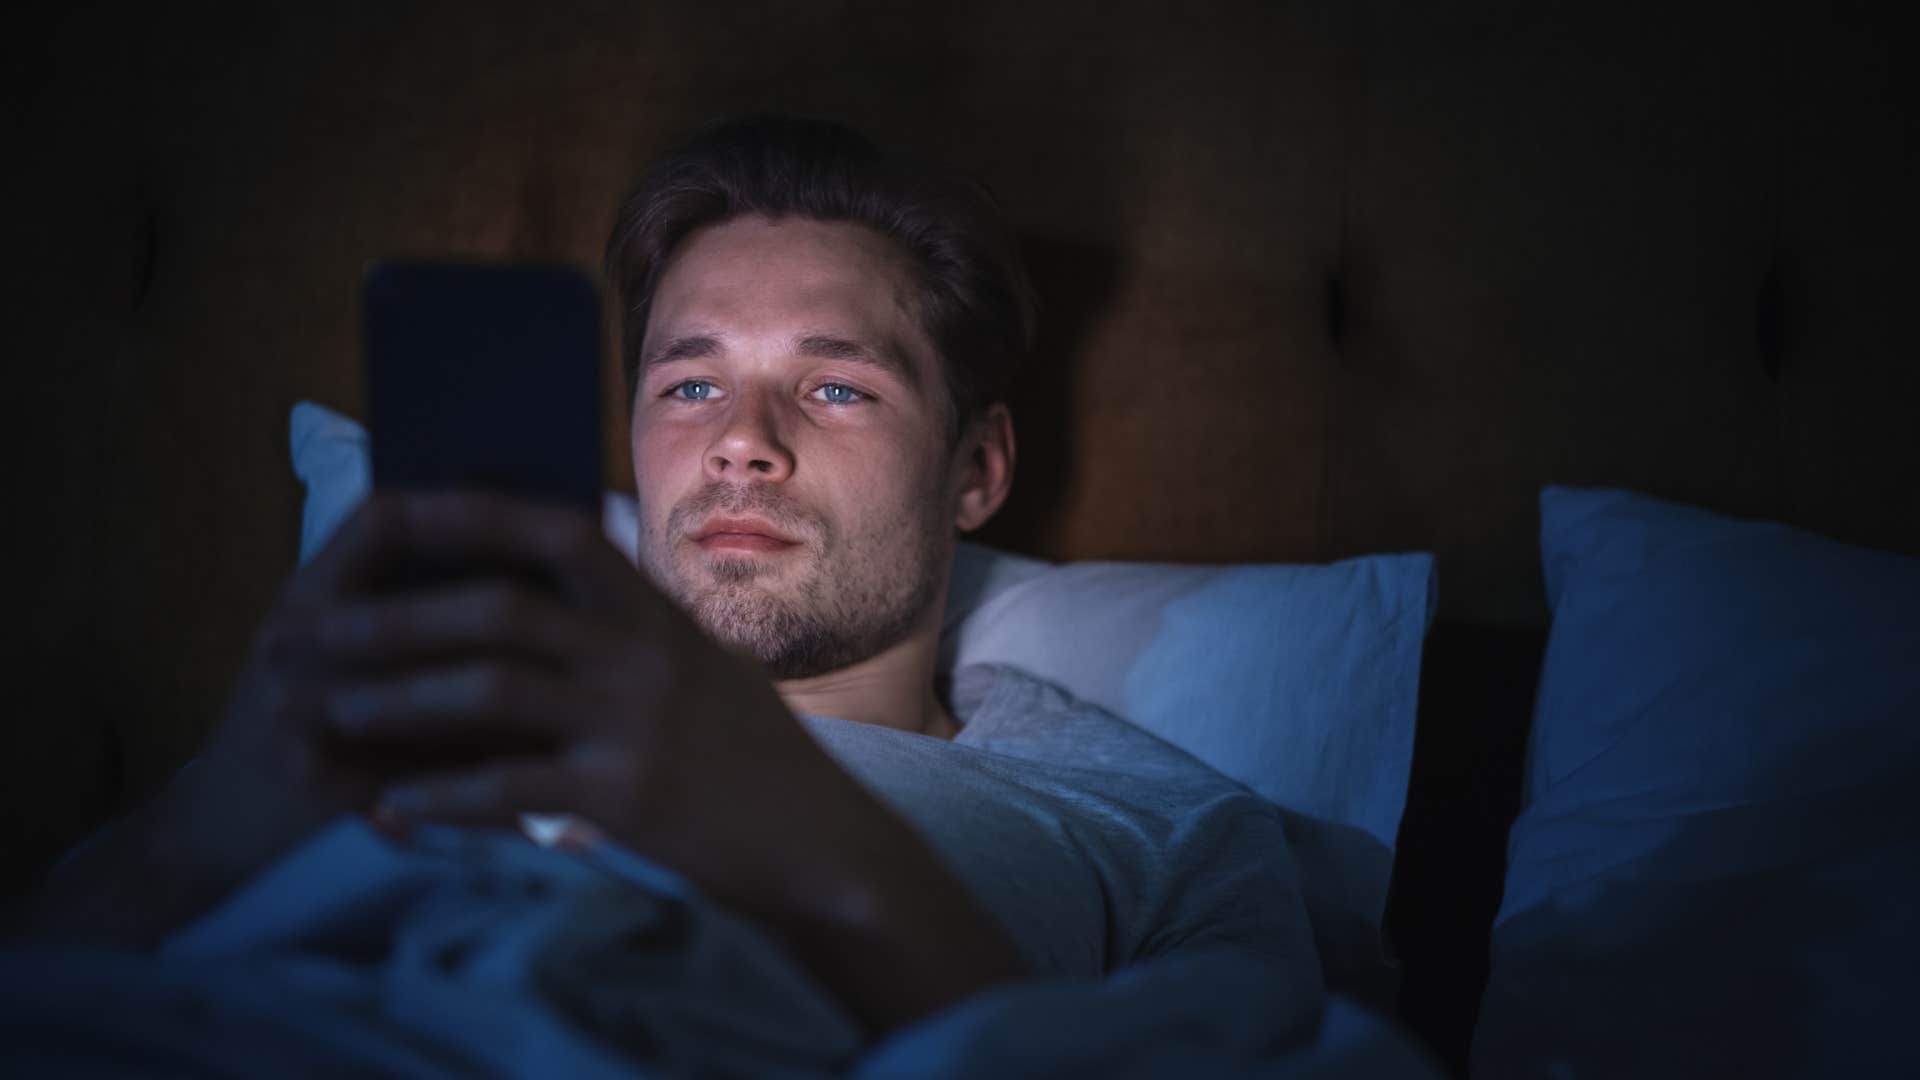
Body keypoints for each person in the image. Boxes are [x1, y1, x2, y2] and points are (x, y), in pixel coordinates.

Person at [13, 115, 1317, 1047]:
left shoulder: (1160, 831)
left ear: (976, 471)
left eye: (835, 385)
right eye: (689, 384)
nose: (742, 438)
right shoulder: (374, 720)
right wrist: (208, 833)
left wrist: (797, 831)